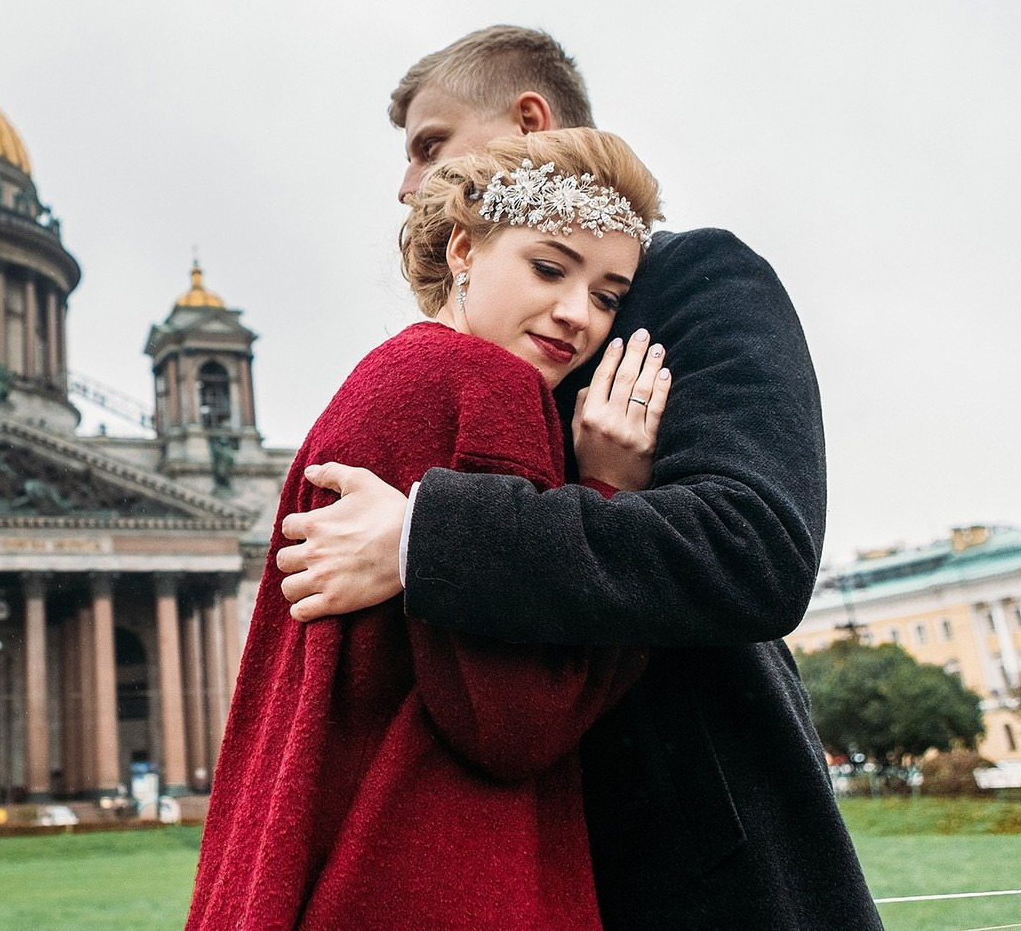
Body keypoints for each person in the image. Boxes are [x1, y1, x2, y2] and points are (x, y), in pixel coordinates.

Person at [274, 27, 878, 929]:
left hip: (700, 864)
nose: (407, 183)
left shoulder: (697, 280)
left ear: (529, 121)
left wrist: (425, 535)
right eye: (551, 271)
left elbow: (756, 545)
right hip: (502, 862)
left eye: (431, 144)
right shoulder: (448, 361)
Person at [189, 129, 668, 930]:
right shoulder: (493, 388)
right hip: (437, 874)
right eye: (549, 268)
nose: (577, 314)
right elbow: (516, 720)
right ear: (463, 248)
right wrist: (607, 491)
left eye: (609, 296)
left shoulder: (378, 379)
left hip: (321, 864)